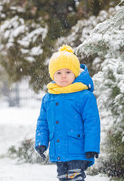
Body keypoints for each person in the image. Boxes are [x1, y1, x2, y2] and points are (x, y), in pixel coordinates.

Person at [35, 45, 100, 181]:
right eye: (58, 73)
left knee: (76, 177)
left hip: (78, 149)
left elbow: (92, 122)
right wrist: (41, 142)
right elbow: (43, 122)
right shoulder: (49, 97)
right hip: (58, 148)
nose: (63, 76)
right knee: (63, 178)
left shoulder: (84, 96)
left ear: (75, 73)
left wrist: (91, 146)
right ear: (52, 75)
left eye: (68, 72)